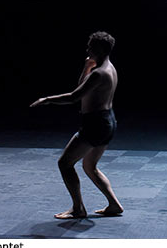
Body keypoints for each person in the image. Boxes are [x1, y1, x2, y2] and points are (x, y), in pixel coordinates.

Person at [30, 31, 123, 219]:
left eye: (91, 47)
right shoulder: (108, 68)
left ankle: (78, 209)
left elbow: (74, 96)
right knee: (90, 166)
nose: (87, 50)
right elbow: (82, 87)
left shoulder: (99, 73)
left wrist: (47, 99)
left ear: (99, 49)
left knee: (65, 163)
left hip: (96, 124)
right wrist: (87, 66)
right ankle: (114, 204)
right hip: (107, 122)